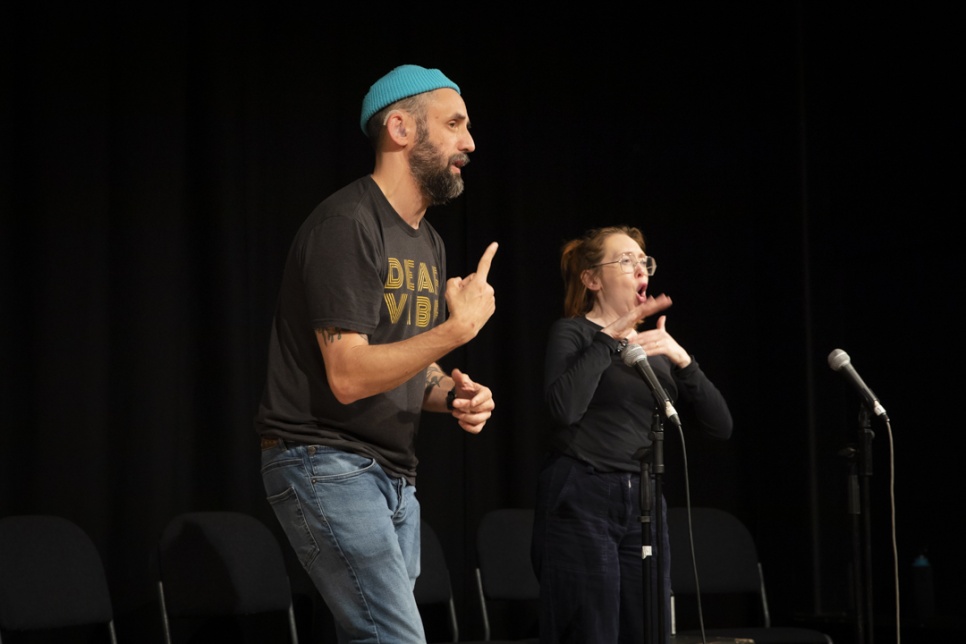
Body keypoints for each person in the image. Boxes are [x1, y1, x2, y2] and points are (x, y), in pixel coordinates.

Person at [254, 64, 497, 644]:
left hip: (393, 472)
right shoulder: (347, 224)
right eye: (454, 124)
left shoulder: (427, 240)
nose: (469, 142)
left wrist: (452, 394)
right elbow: (347, 375)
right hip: (325, 459)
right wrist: (455, 330)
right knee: (395, 637)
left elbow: (406, 358)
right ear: (400, 128)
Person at [531, 225, 733, 644]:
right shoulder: (574, 333)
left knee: (649, 628)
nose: (640, 268)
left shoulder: (652, 349)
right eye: (626, 261)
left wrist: (682, 359)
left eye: (644, 261)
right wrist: (611, 337)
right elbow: (564, 409)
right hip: (581, 495)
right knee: (591, 630)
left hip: (643, 502)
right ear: (592, 279)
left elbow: (720, 426)